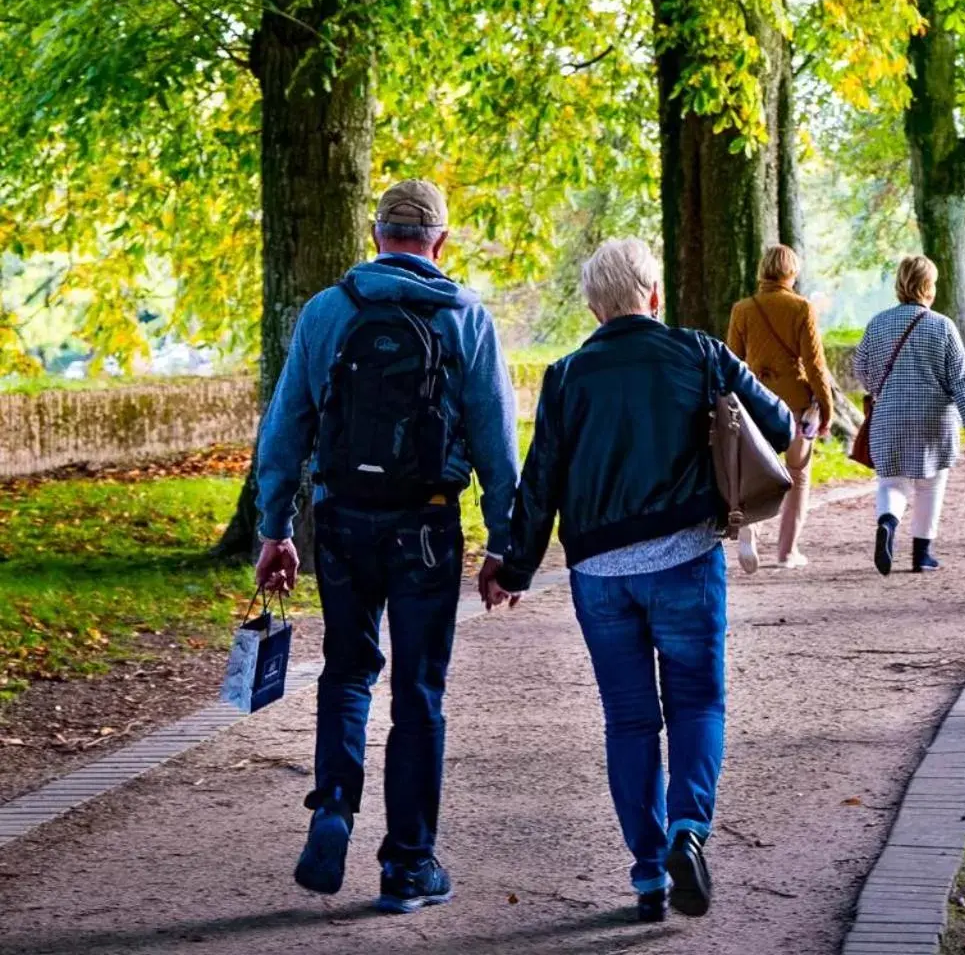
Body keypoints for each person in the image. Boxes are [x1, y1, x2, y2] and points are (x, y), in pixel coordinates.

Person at [480, 239, 790, 925]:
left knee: (628, 721)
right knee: (699, 703)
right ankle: (688, 831)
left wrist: (516, 565)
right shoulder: (701, 353)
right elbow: (781, 423)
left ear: (594, 307)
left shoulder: (565, 376)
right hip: (685, 558)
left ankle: (649, 876)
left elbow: (541, 482)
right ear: (654, 294)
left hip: (600, 574)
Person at [251, 179, 518, 913]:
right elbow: (497, 445)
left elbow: (283, 433)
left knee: (346, 672)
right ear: (440, 243)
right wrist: (505, 545)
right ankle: (407, 866)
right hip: (426, 525)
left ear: (374, 237)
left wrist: (274, 529)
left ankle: (334, 804)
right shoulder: (466, 317)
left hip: (341, 523)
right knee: (418, 694)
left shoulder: (328, 311)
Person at [852, 256, 965, 576]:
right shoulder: (942, 326)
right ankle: (921, 554)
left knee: (891, 481)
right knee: (930, 484)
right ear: (929, 287)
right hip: (933, 417)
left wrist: (883, 390)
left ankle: (887, 522)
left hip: (889, 414)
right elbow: (960, 377)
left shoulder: (878, 323)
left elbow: (861, 368)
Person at [726, 245, 835, 569]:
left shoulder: (742, 309)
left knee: (758, 471)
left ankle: (749, 529)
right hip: (796, 404)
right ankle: (787, 552)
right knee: (798, 474)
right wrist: (826, 407)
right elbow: (814, 363)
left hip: (756, 402)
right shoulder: (801, 308)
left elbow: (732, 360)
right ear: (792, 273)